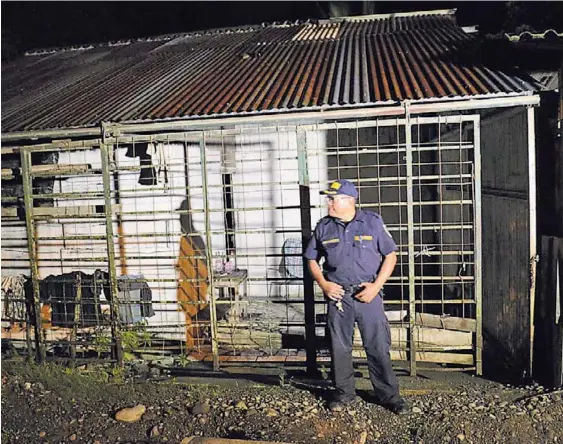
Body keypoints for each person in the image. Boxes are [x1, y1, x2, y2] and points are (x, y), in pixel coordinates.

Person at [304, 179, 408, 414]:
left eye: (333, 199)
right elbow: (311, 259)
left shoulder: (372, 222)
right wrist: (323, 284)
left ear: (349, 201)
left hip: (367, 295)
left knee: (378, 345)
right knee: (339, 347)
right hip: (338, 297)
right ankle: (344, 394)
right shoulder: (323, 227)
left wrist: (375, 286)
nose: (329, 203)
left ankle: (389, 396)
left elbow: (390, 255)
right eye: (329, 199)